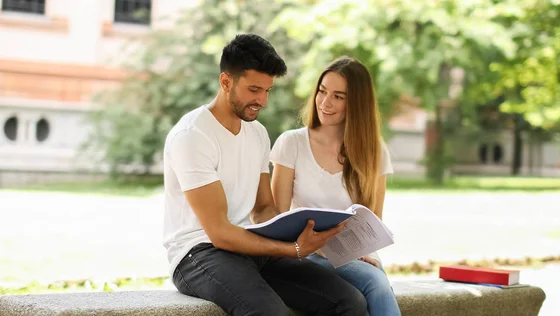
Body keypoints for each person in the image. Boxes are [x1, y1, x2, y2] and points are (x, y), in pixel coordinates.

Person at [162, 35, 368, 316]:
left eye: (267, 91)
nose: (262, 100)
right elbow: (220, 233)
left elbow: (263, 209)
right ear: (226, 82)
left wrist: (307, 229)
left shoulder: (256, 133)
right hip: (197, 254)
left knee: (350, 300)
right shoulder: (193, 137)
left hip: (247, 246)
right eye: (254, 89)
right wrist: (294, 249)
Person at [270, 56, 402, 316]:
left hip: (354, 255)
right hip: (306, 253)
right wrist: (314, 245)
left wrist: (366, 252)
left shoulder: (375, 151)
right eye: (322, 91)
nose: (325, 103)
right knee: (375, 283)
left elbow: (373, 218)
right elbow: (275, 216)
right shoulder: (292, 143)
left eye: (338, 97)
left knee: (373, 282)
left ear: (356, 104)